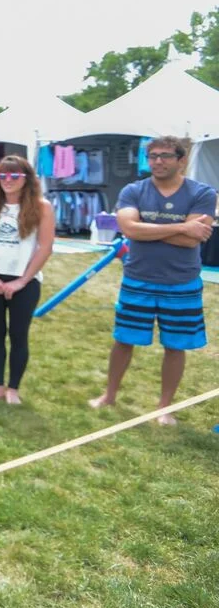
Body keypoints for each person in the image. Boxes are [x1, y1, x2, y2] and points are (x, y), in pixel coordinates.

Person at [89, 136, 216, 425]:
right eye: (154, 156)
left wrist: (147, 229)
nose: (158, 161)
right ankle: (109, 396)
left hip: (181, 282)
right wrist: (182, 226)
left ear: (182, 160)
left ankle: (164, 407)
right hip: (138, 279)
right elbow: (129, 229)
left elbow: (189, 242)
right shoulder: (134, 190)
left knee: (175, 345)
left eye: (166, 156)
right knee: (123, 340)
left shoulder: (203, 193)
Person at [0, 155, 55, 405]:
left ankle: (13, 388)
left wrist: (22, 281)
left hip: (25, 280)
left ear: (26, 178)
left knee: (19, 334)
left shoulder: (42, 207)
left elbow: (46, 246)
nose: (8, 180)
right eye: (2, 175)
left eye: (14, 175)